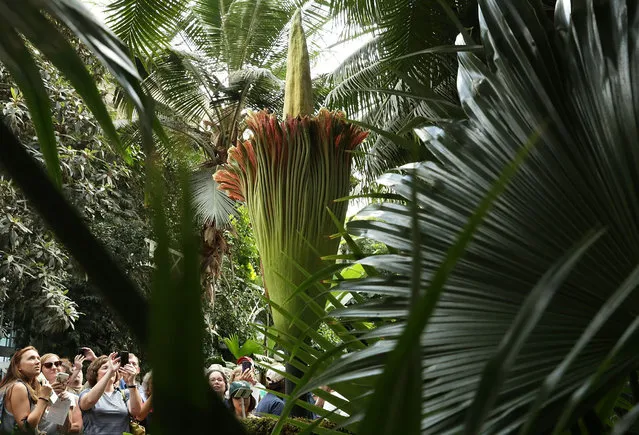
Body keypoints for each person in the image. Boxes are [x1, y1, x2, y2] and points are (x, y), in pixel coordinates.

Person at [79, 353, 142, 434]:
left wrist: (131, 382)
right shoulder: (86, 392)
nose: (111, 370)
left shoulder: (125, 394)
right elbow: (88, 402)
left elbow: (136, 412)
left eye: (112, 368)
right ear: (95, 374)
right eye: (105, 368)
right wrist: (109, 372)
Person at [0, 346, 52, 433]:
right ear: (18, 366)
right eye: (31, 358)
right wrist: (43, 398)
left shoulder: (29, 386)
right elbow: (26, 428)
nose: (38, 362)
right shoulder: (18, 387)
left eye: (38, 358)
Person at [38, 353, 82, 434]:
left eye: (57, 364)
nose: (54, 367)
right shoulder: (35, 394)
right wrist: (48, 396)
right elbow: (30, 424)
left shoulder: (70, 397)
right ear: (41, 370)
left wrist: (64, 404)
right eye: (48, 365)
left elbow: (69, 430)